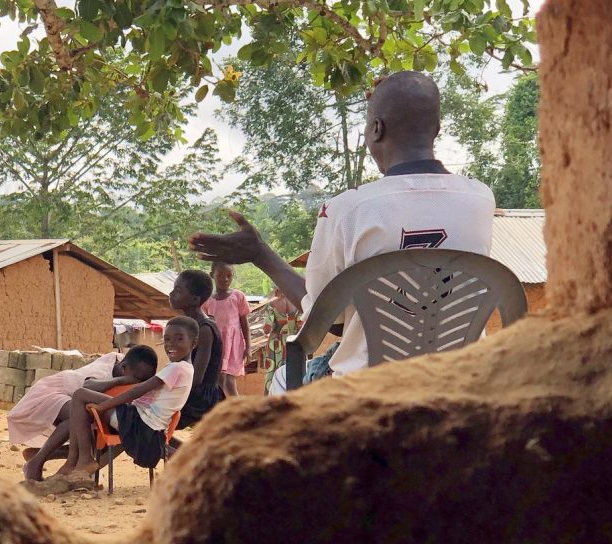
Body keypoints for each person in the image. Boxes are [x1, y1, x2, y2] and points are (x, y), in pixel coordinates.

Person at [190, 71, 495, 393]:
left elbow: (327, 321)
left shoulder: (347, 209)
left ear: (376, 128)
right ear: (437, 129)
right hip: (463, 385)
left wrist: (260, 254)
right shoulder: (480, 199)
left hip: (368, 393)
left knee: (281, 380)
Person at [49, 316, 197, 478]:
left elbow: (138, 391)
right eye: (167, 339)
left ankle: (83, 459)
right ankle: (75, 462)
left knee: (80, 395)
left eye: (179, 339)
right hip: (146, 426)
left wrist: (104, 406)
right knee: (82, 404)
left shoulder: (177, 368)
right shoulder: (186, 369)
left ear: (194, 343)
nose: (171, 344)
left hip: (137, 423)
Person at [19, 345, 159, 480]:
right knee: (78, 418)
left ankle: (42, 459)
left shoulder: (128, 364)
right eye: (138, 380)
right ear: (123, 369)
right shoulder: (104, 371)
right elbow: (87, 386)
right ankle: (48, 463)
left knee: (91, 429)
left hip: (76, 400)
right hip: (53, 391)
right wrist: (120, 380)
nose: (139, 384)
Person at [168, 269, 223, 428]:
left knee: (146, 412)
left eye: (178, 291)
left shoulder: (204, 329)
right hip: (189, 390)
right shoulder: (188, 325)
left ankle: (169, 451)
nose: (171, 294)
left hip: (200, 399)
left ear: (195, 299)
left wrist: (164, 387)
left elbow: (196, 378)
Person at [203, 262, 251, 397]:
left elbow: (244, 323)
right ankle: (224, 408)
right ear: (212, 275)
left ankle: (240, 410)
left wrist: (248, 347)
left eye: (229, 276)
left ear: (233, 276)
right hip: (216, 344)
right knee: (218, 380)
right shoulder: (207, 301)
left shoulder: (238, 296)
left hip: (234, 344)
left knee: (229, 380)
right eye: (220, 275)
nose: (225, 279)